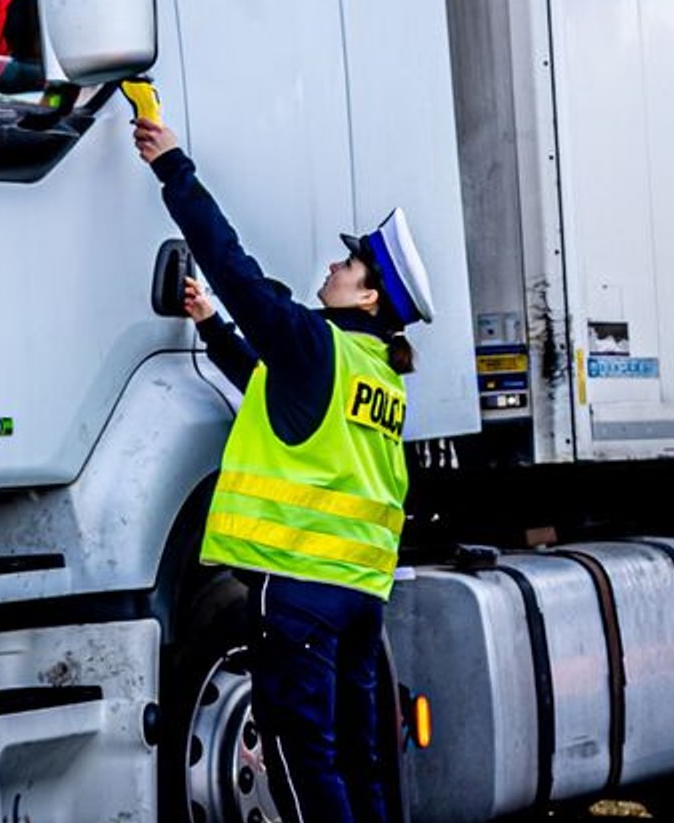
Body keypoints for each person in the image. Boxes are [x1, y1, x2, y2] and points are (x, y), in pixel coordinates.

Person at [133, 114, 432, 823]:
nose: (331, 268)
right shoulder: (375, 372)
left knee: (302, 763)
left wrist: (174, 167)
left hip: (300, 592)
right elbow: (281, 400)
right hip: (359, 597)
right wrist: (211, 326)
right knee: (359, 762)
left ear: (366, 298)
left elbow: (231, 263)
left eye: (347, 266)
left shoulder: (315, 345)